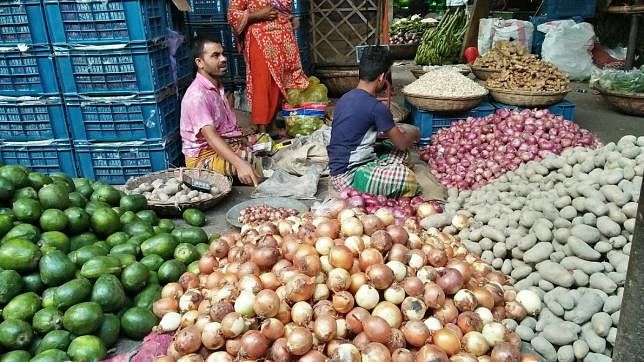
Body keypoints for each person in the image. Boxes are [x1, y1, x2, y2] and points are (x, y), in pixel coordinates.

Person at [327, 46, 421, 197]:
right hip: (348, 175)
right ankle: (382, 173)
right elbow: (402, 144)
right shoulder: (376, 107)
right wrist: (415, 133)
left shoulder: (345, 98)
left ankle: (383, 169)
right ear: (381, 77)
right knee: (407, 179)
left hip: (340, 164)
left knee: (394, 150)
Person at [180, 36, 262, 186]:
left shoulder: (216, 87)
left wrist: (241, 139)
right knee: (250, 162)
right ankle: (259, 197)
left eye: (222, 54)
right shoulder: (197, 96)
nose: (223, 59)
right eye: (215, 55)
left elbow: (223, 128)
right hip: (203, 158)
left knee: (262, 142)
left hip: (221, 145)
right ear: (200, 62)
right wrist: (239, 164)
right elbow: (211, 138)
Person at [227, 0, 309, 135]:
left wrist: (292, 18)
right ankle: (262, 131)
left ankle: (273, 127)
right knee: (262, 84)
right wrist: (256, 16)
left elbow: (282, 9)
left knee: (279, 84)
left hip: (283, 39)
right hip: (260, 38)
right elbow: (232, 15)